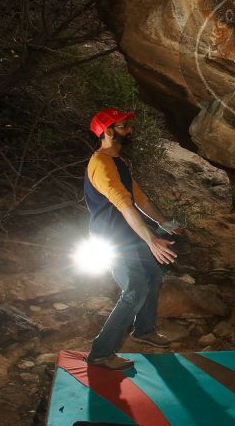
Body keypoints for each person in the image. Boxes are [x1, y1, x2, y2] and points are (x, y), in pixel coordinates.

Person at [83, 107, 183, 370]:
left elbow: (140, 199)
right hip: (111, 239)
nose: (130, 130)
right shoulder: (101, 164)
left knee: (152, 276)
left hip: (127, 234)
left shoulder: (119, 163)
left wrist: (163, 223)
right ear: (107, 131)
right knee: (135, 289)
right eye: (124, 126)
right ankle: (101, 353)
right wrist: (151, 240)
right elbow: (124, 206)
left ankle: (144, 330)